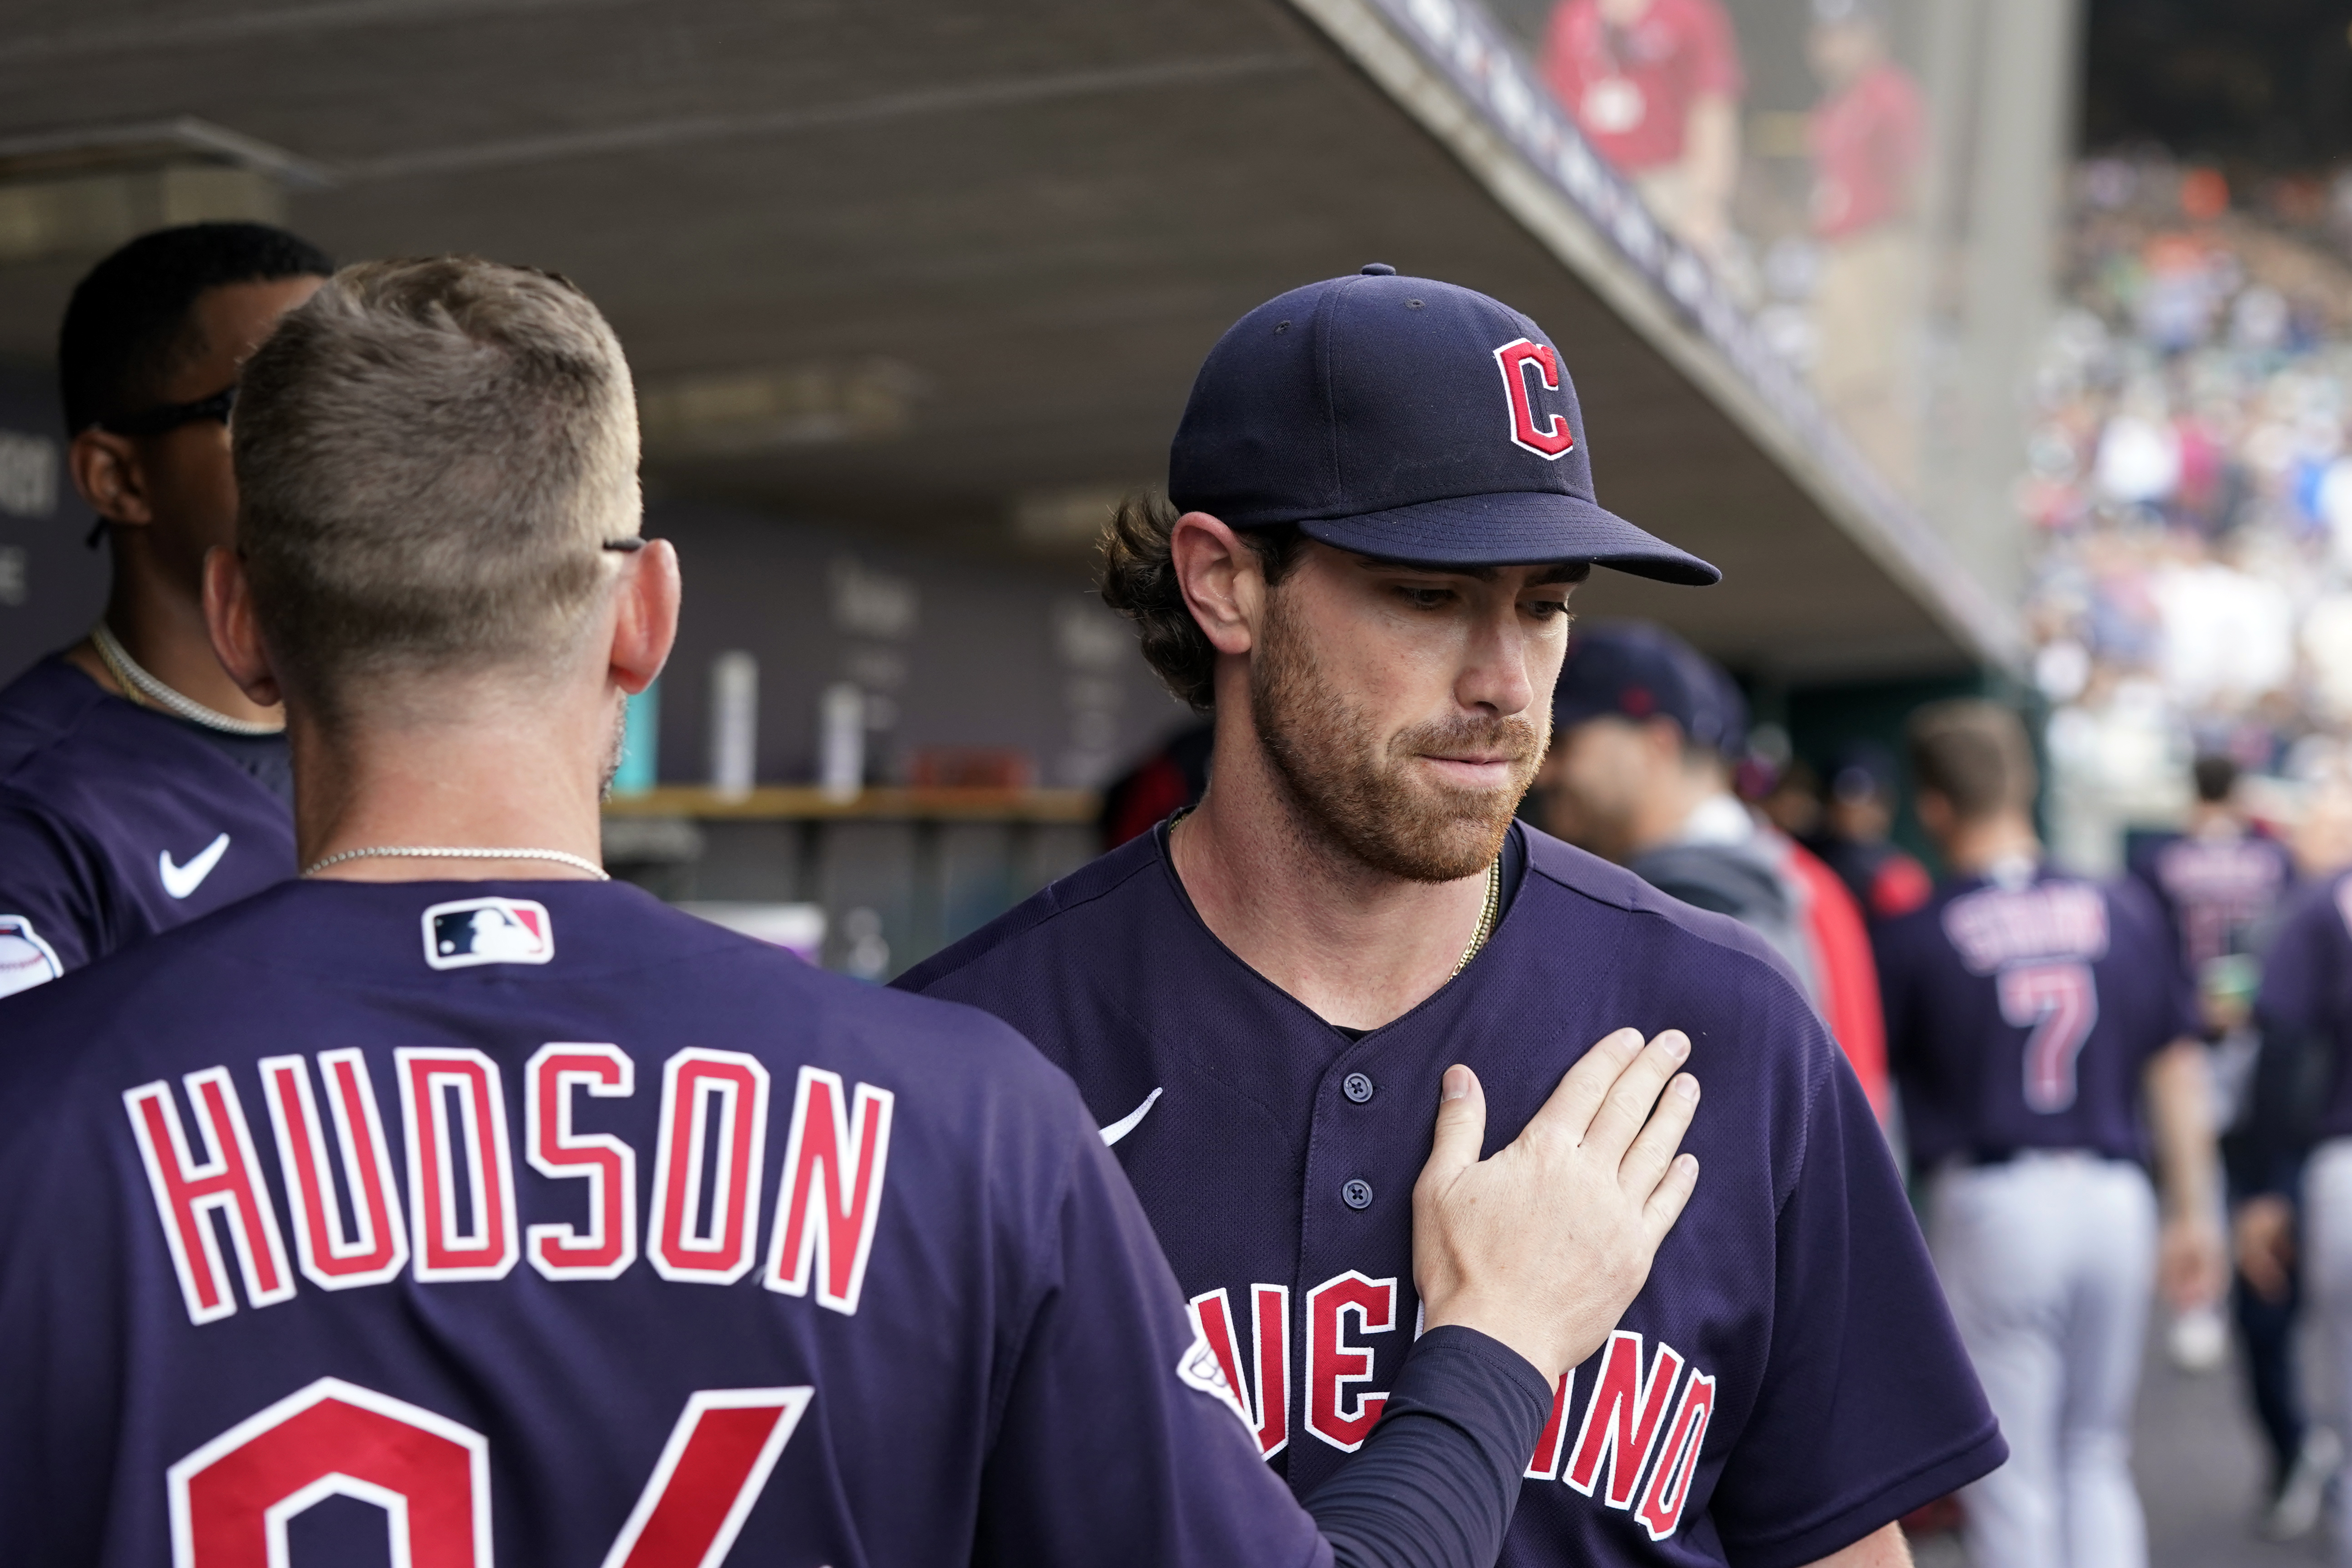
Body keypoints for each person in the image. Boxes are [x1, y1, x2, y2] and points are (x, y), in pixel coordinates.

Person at [0, 256, 1710, 1567]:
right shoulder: (957, 1114)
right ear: (644, 617)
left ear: (238, 617)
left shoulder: (35, 1116)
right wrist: (1494, 1339)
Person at [902, 265, 2002, 1567]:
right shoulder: (958, 1065)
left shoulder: (1721, 1021)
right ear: (1223, 582)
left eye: (1542, 604)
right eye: (1426, 594)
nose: (1503, 681)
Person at [1873, 699, 2225, 1568]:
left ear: (1934, 807)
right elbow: (2175, 1069)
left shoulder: (1917, 929)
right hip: (2114, 1190)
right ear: (2023, 784)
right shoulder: (2121, 907)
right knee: (2095, 1454)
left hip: (1995, 1199)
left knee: (2011, 1477)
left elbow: (1874, 1100)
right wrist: (2195, 1211)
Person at [0, 223, 332, 997]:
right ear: (119, 478)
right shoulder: (34, 806)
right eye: (268, 410)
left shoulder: (407, 748)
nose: (333, 446)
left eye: (352, 397)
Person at [1535, 621, 1890, 1118]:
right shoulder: (1796, 876)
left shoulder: (1705, 903)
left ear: (1654, 745)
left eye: (1564, 742)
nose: (1543, 769)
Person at [1804, 0, 1925, 486]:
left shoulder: (1888, 95)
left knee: (1871, 384)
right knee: (1840, 384)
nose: (1834, 45)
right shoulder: (1836, 104)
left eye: (1848, 33)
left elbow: (1915, 180)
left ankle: (1896, 493)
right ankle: (1863, 485)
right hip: (1842, 250)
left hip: (1877, 245)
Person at [1540, 0, 1743, 262]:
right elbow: (1551, 102)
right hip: (1583, 178)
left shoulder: (1691, 13)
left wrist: (1707, 204)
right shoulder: (1572, 13)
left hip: (1664, 188)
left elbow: (1712, 109)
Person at [1803, 742, 1931, 922]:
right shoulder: (1803, 860)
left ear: (1887, 805)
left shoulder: (1896, 874)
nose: (1854, 812)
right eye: (1844, 799)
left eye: (1869, 802)